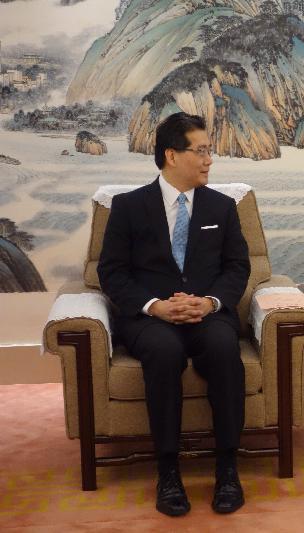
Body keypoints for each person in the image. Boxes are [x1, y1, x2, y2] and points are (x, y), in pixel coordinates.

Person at [98, 112, 250, 515]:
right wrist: (156, 306)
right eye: (200, 151)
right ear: (171, 155)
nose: (209, 160)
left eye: (209, 151)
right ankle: (168, 471)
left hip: (207, 313)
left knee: (222, 347)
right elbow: (112, 271)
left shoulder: (222, 206)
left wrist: (211, 302)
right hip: (150, 317)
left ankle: (227, 467)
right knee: (164, 354)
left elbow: (238, 267)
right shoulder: (129, 207)